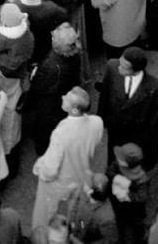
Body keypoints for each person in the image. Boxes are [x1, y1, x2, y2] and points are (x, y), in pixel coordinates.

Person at [31, 85, 106, 233]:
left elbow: (51, 169)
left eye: (67, 98)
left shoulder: (61, 133)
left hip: (59, 181)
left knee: (44, 212)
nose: (62, 97)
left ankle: (39, 235)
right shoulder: (97, 122)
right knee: (74, 210)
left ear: (75, 110)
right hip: (81, 176)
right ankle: (72, 232)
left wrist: (40, 169)